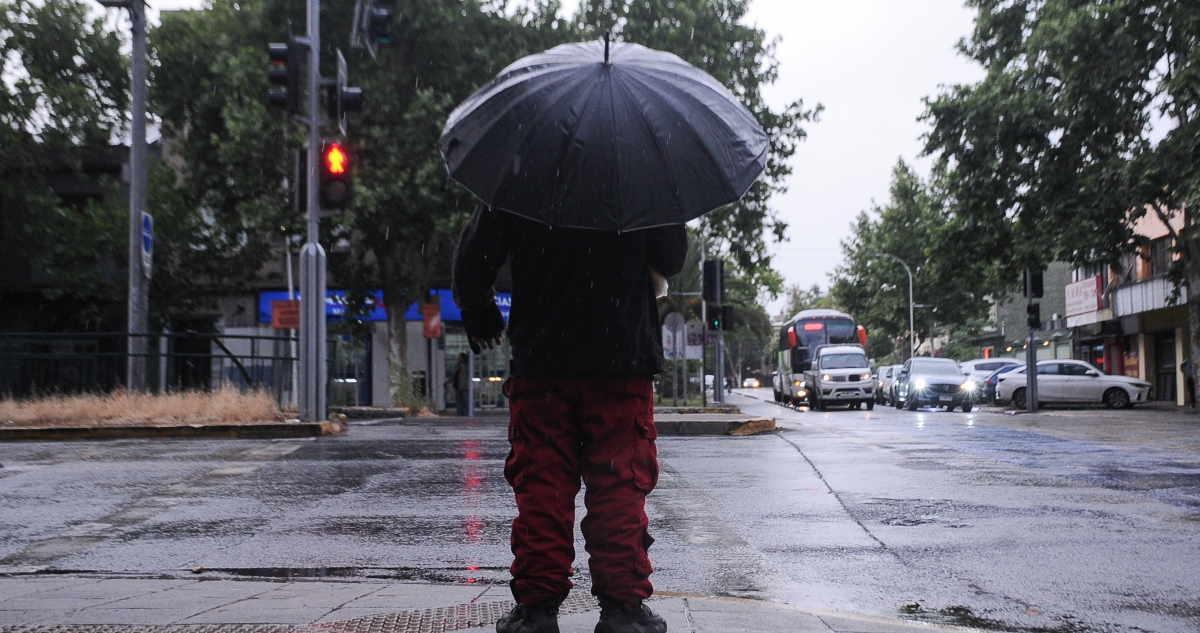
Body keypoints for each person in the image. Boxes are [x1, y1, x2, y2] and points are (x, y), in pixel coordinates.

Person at [453, 204, 686, 633]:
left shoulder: (525, 168)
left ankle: (537, 610)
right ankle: (622, 610)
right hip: (621, 354)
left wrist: (479, 309)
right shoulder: (638, 172)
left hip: (543, 356)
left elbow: (474, 255)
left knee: (542, 485)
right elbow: (671, 257)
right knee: (620, 485)